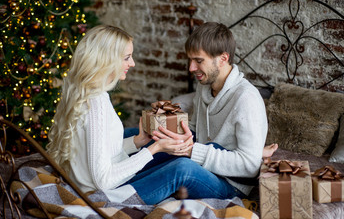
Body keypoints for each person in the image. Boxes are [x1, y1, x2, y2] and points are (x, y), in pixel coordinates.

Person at [46, 25, 231, 205]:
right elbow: (103, 181)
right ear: (107, 60)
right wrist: (154, 148)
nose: (132, 63)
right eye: (127, 57)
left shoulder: (85, 92)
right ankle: (230, 192)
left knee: (173, 150)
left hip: (90, 184)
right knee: (180, 167)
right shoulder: (97, 103)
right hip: (106, 194)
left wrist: (138, 142)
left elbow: (97, 152)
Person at [152, 22, 272, 198]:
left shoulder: (247, 99)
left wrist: (192, 150)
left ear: (223, 58)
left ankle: (117, 197)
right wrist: (167, 118)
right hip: (205, 166)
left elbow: (250, 165)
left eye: (199, 61)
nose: (191, 68)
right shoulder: (205, 85)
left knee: (182, 168)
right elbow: (194, 130)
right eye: (191, 60)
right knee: (153, 138)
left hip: (233, 184)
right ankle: (120, 180)